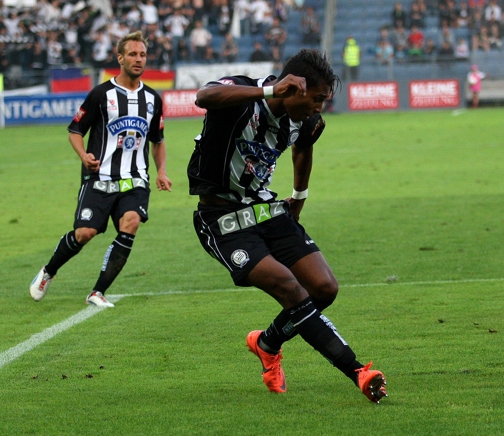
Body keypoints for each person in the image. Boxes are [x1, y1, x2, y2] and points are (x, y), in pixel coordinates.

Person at [187, 49, 388, 403]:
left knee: (324, 288)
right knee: (289, 288)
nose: (319, 108)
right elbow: (204, 96)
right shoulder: (244, 94)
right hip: (222, 219)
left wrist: (299, 195)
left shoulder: (308, 121)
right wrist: (269, 91)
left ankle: (267, 343)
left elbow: (303, 147)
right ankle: (357, 371)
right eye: (316, 99)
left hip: (268, 209)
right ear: (292, 89)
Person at [29, 31, 172, 308]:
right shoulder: (100, 94)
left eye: (142, 54)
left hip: (135, 177)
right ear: (120, 58)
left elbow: (158, 140)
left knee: (130, 223)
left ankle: (98, 291)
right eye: (132, 54)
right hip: (100, 177)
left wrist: (162, 171)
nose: (138, 59)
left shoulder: (153, 99)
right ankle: (48, 272)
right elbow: (74, 130)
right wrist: (83, 156)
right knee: (85, 233)